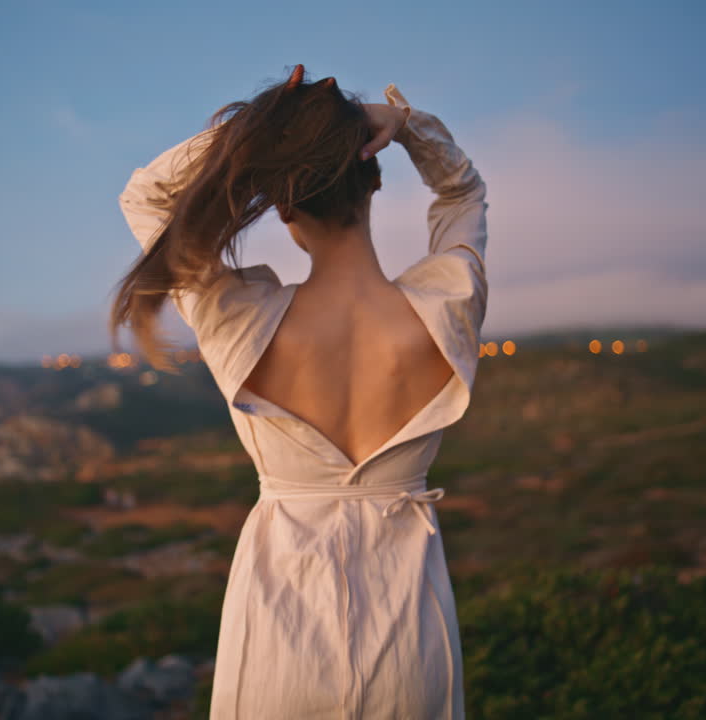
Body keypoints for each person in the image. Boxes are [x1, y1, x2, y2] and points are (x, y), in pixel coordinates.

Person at [112, 63, 488, 720]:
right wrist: (402, 123)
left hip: (278, 644)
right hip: (411, 651)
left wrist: (259, 132)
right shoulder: (448, 304)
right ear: (372, 183)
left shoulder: (238, 319)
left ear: (283, 204)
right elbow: (462, 194)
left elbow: (147, 195)